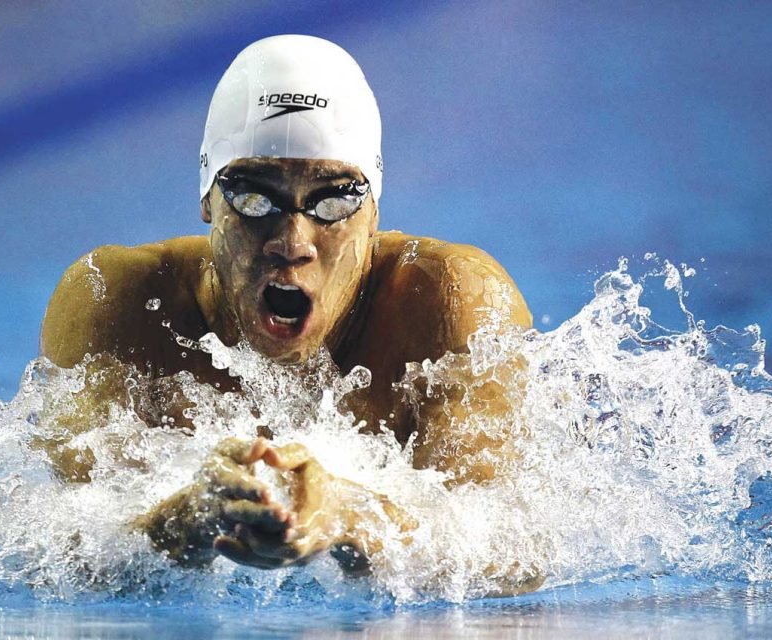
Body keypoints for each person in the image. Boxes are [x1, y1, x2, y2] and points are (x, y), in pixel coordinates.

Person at [40, 35, 539, 592]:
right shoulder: (118, 302)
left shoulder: (454, 302)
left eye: (333, 200)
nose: (292, 240)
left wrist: (354, 517)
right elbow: (65, 561)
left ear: (374, 210)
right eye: (255, 197)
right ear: (208, 198)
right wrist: (179, 522)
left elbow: (512, 555)